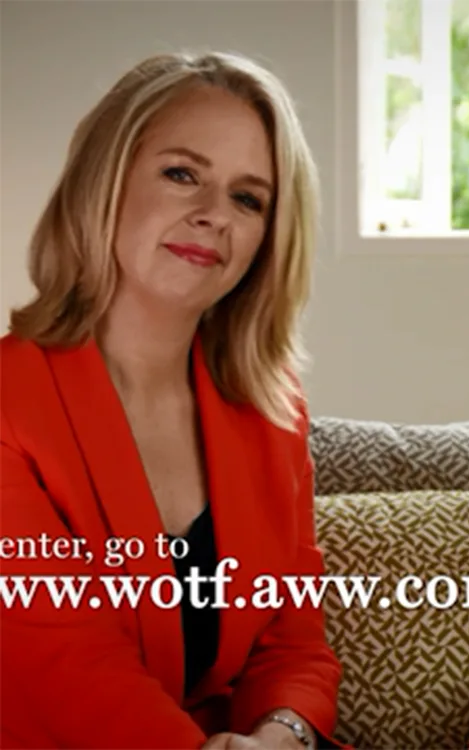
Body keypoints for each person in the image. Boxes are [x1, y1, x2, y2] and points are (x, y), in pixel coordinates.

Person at [0, 51, 342, 749]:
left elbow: (292, 641)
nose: (214, 215)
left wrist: (282, 735)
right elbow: (70, 670)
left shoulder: (273, 410)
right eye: (182, 174)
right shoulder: (11, 403)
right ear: (105, 180)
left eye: (248, 199)